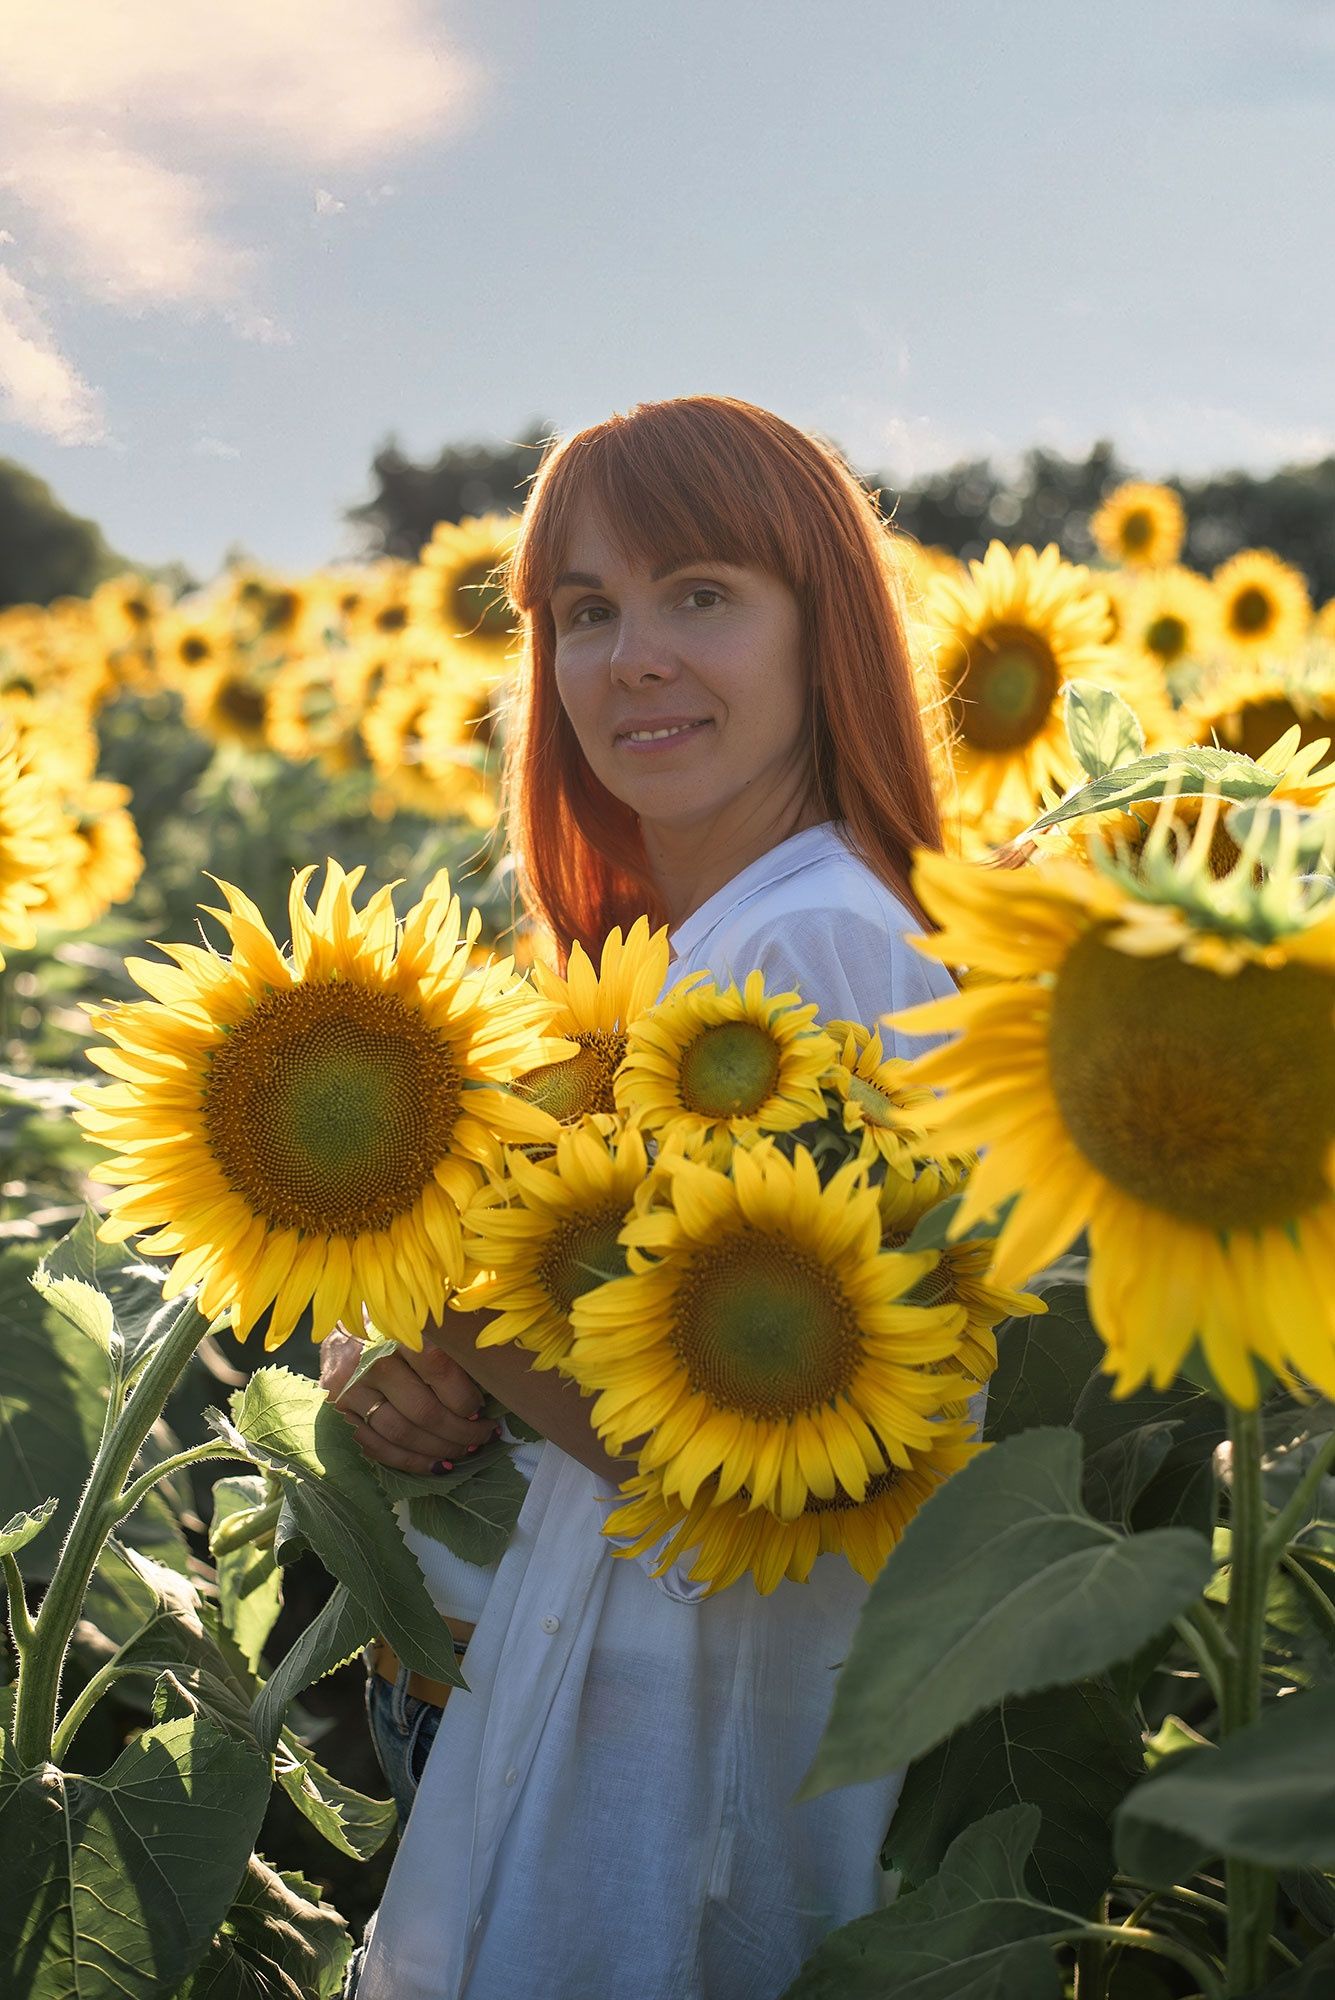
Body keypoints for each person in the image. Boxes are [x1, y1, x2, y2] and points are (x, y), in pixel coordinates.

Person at [329, 395, 962, 2000]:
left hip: (677, 1758)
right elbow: (572, 1344)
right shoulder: (686, 955)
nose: (631, 659)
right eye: (587, 614)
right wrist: (396, 1357)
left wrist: (421, 1268)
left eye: (701, 594)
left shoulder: (808, 953)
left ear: (827, 632)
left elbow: (781, 1446)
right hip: (577, 1688)